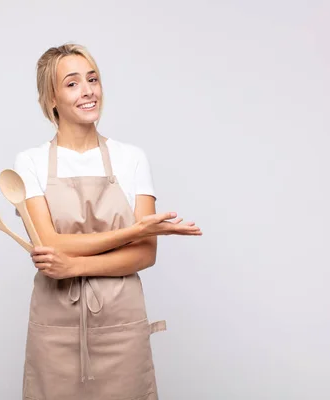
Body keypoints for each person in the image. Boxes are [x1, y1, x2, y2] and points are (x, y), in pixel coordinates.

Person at [12, 43, 202, 400]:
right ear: (50, 98)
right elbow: (50, 243)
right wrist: (135, 230)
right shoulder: (30, 163)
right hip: (56, 325)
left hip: (121, 323)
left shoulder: (130, 158)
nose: (88, 91)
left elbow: (144, 255)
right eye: (72, 83)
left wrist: (73, 266)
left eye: (93, 79)